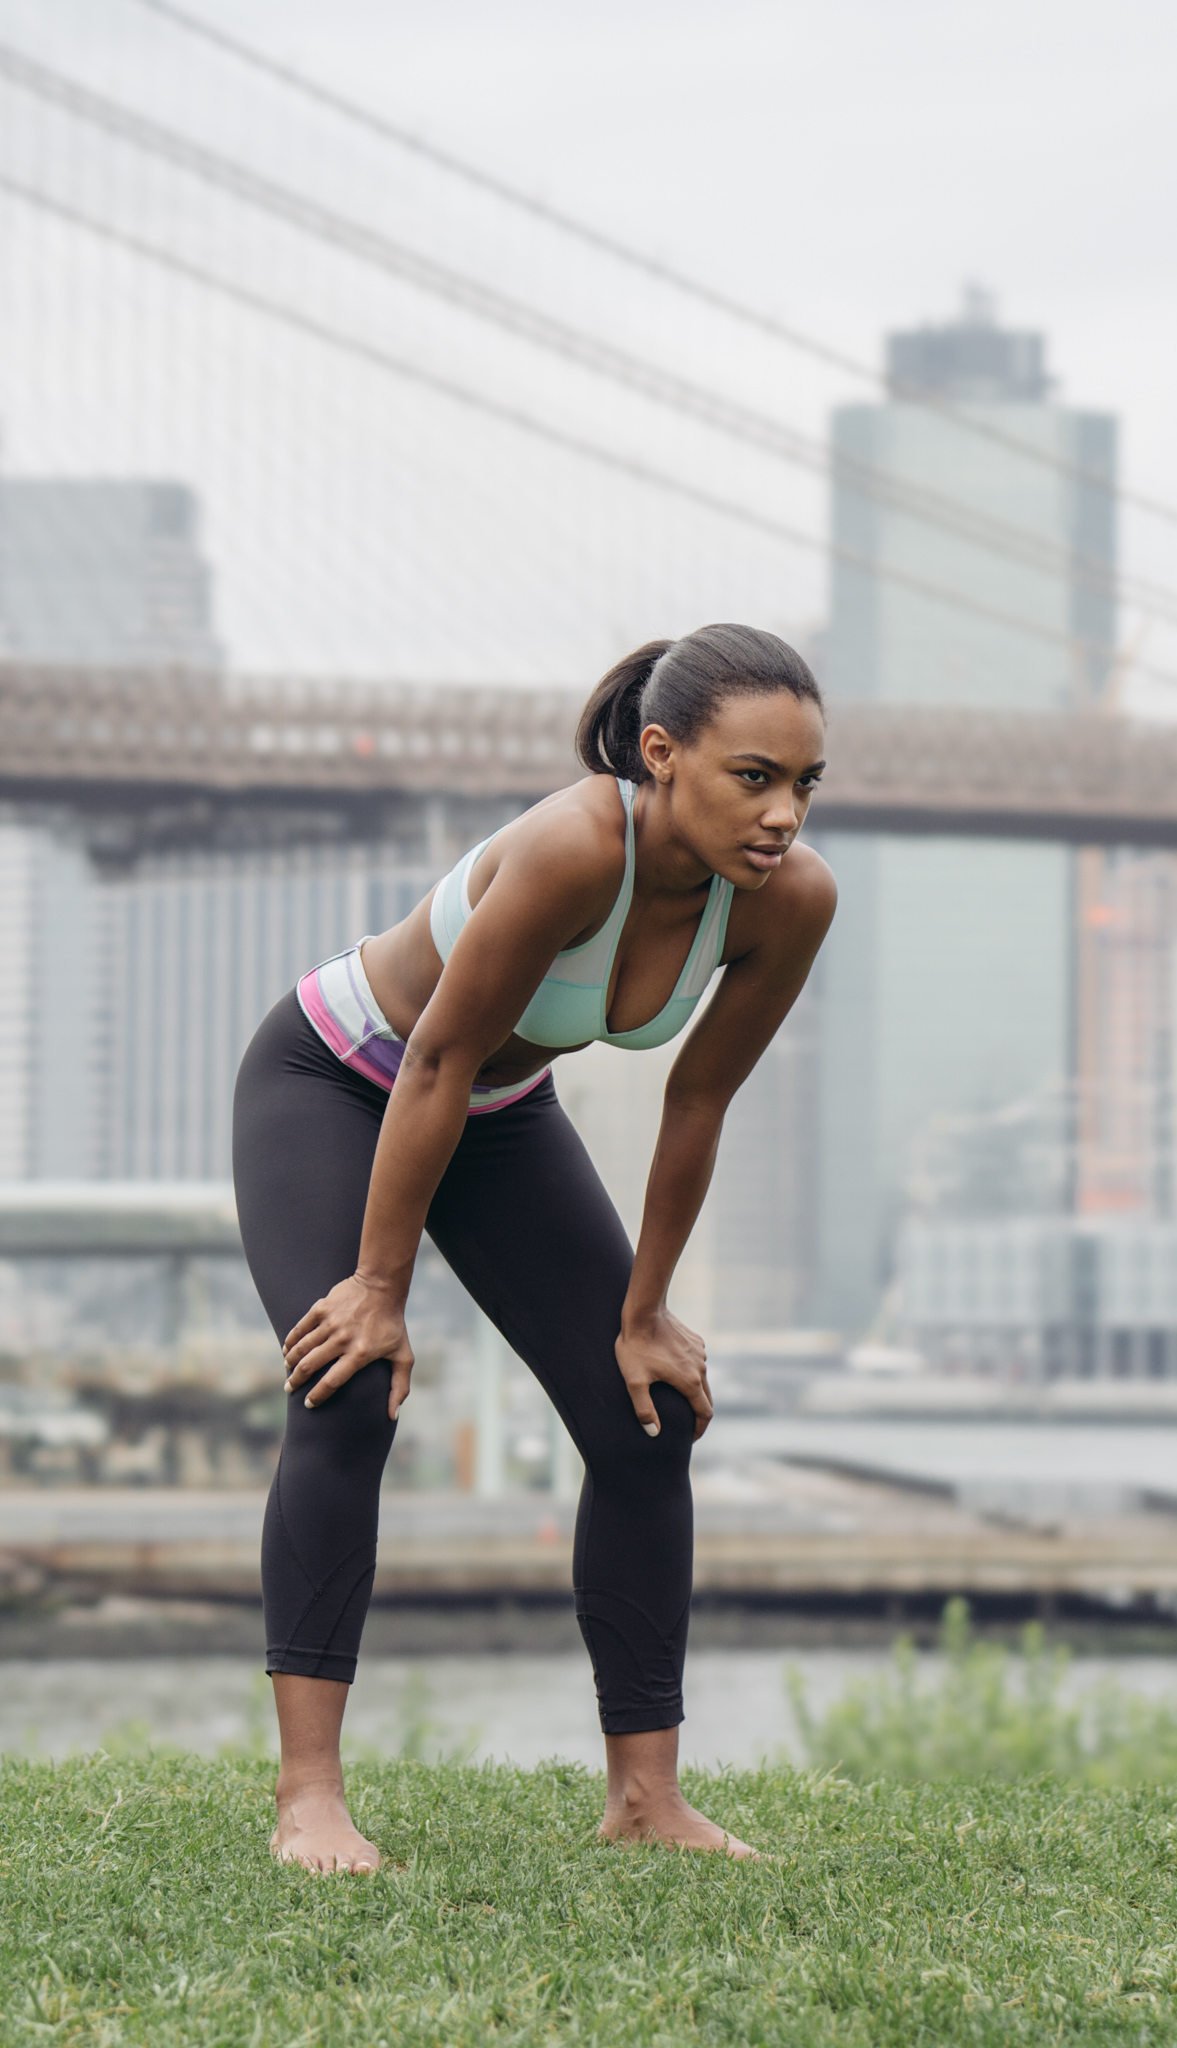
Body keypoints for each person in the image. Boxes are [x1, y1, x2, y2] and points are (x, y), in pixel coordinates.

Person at [232, 623, 834, 1871]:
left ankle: (644, 1798)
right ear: (661, 756)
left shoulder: (790, 901)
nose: (782, 814)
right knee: (346, 1388)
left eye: (804, 784)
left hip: (497, 1113)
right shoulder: (575, 844)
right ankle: (309, 1801)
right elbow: (435, 1057)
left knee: (644, 1413)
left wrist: (646, 1310)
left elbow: (699, 1101)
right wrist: (379, 1289)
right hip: (340, 1076)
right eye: (753, 776)